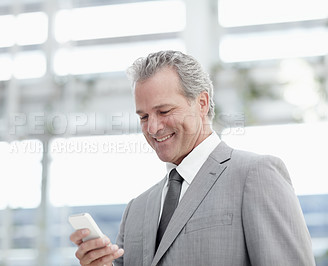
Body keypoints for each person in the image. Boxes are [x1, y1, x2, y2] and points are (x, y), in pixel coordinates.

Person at [70, 50, 315, 266]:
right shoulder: (137, 208)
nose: (153, 128)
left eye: (164, 111)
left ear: (201, 103)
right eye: (143, 117)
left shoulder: (256, 175)